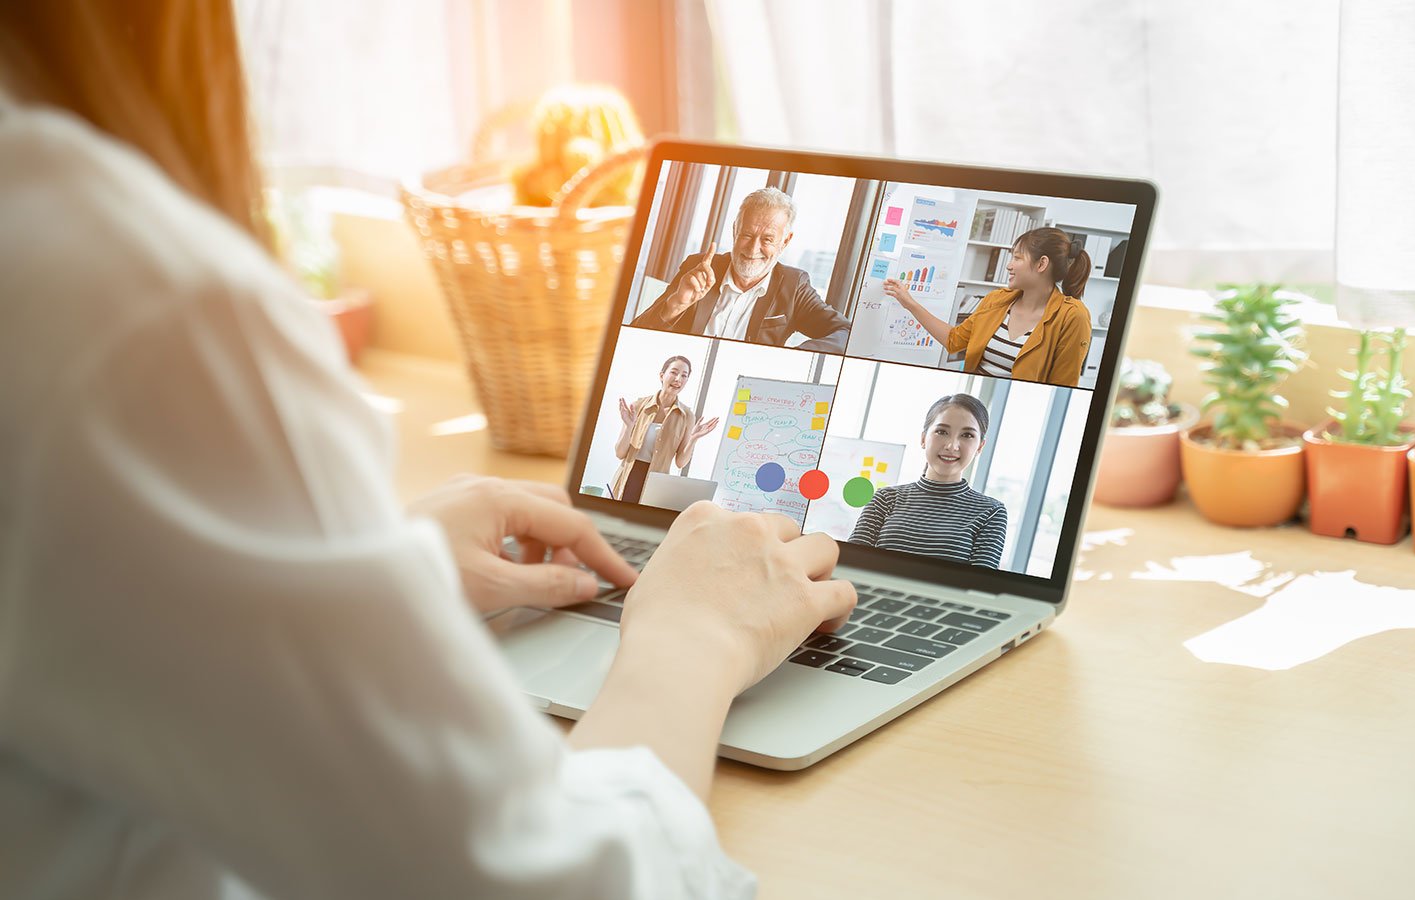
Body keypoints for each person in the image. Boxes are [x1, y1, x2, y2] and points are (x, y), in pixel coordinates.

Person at [0, 3, 855, 897]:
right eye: (751, 230)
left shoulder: (70, 251)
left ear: (789, 241)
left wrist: (345, 565)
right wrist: (694, 636)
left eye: (773, 235)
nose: (760, 244)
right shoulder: (134, 300)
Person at [632, 187, 851, 352]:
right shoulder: (698, 268)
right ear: (735, 229)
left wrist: (794, 356)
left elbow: (845, 333)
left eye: (767, 239)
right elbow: (636, 334)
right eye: (747, 234)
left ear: (785, 241)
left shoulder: (794, 287)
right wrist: (676, 304)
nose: (753, 248)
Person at [885, 226, 1093, 386]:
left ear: (1041, 264)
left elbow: (1062, 386)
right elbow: (954, 340)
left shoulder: (1073, 317)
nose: (1009, 265)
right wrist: (909, 303)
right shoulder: (996, 300)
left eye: (1017, 258)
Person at [849, 394, 1008, 568]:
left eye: (967, 435)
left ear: (980, 446)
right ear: (923, 438)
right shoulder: (886, 498)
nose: (952, 446)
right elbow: (851, 564)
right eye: (942, 432)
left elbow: (981, 587)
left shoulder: (991, 512)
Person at [610, 354, 719, 502]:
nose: (678, 379)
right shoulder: (638, 406)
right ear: (662, 375)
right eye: (674, 372)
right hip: (627, 478)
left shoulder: (687, 416)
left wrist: (693, 439)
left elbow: (680, 462)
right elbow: (619, 452)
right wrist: (629, 426)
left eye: (684, 376)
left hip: (656, 485)